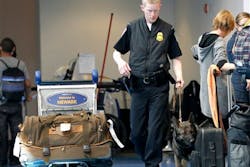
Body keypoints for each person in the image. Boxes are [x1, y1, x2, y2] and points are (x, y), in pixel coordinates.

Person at [113, 0, 184, 166]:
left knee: (155, 129)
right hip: (138, 87)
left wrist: (179, 76)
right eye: (150, 10)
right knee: (136, 133)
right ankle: (148, 157)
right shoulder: (132, 27)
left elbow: (175, 58)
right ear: (142, 8)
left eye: (156, 11)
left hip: (159, 87)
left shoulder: (167, 29)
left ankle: (152, 163)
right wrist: (120, 63)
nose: (153, 15)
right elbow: (116, 52)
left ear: (160, 9)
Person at [191, 10, 235, 128]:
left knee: (211, 128)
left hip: (206, 93)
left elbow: (195, 52)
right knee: (221, 129)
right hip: (217, 94)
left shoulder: (202, 37)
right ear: (229, 27)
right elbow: (221, 63)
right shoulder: (219, 41)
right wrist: (239, 66)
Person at [0, 37, 32, 166]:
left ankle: (2, 162)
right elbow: (28, 83)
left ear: (0, 49)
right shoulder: (21, 64)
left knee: (1, 136)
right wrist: (28, 96)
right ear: (13, 49)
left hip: (1, 105)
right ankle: (15, 161)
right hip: (17, 105)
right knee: (17, 135)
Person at [226, 12, 250, 167]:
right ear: (236, 25)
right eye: (243, 25)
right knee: (243, 120)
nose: (245, 28)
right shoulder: (234, 41)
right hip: (240, 82)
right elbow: (238, 61)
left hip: (241, 79)